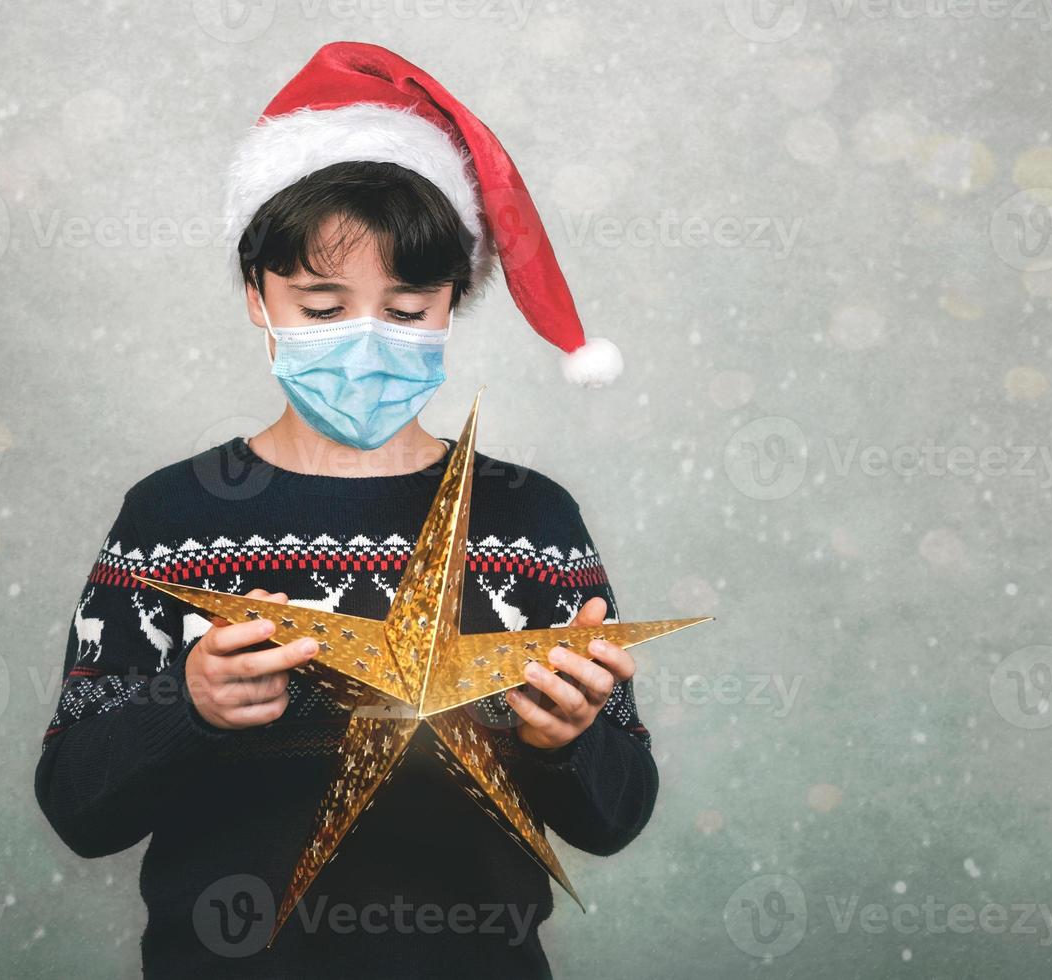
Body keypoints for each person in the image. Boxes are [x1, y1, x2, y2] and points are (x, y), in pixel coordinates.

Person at [33, 41, 652, 978]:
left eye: (406, 312)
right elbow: (79, 808)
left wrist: (564, 740)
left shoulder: (532, 519)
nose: (365, 343)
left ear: (454, 303)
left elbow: (617, 815)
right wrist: (188, 703)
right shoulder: (172, 516)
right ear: (258, 297)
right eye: (322, 308)